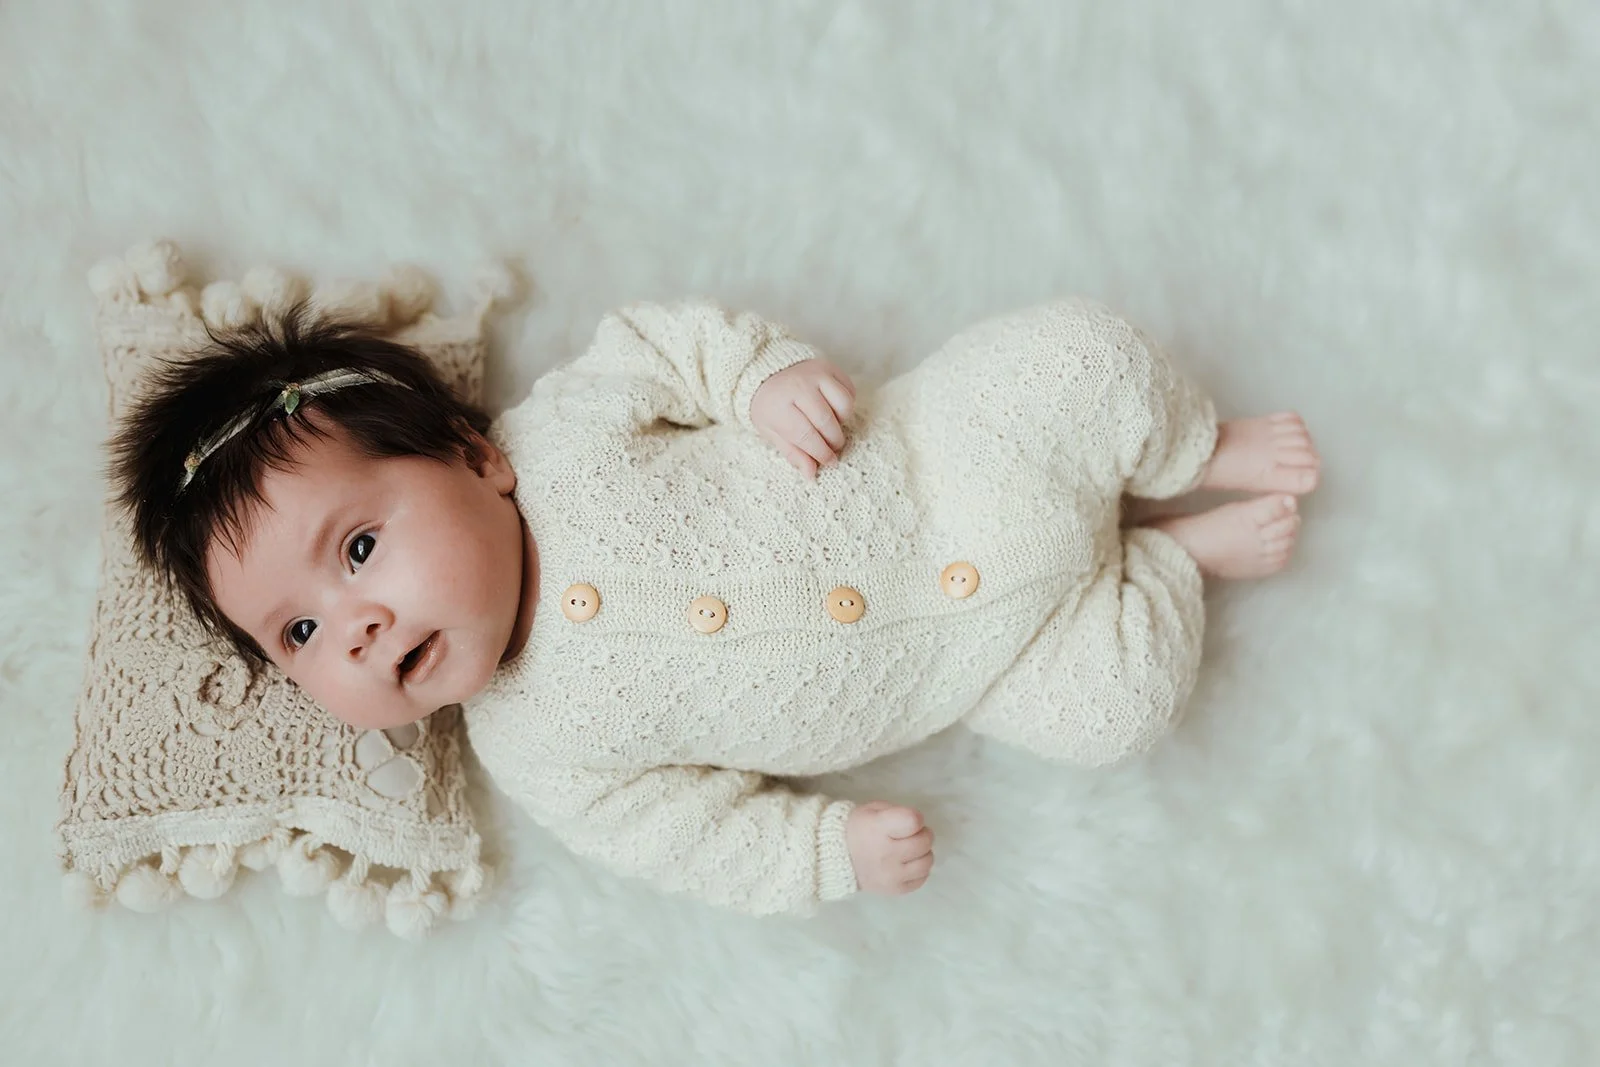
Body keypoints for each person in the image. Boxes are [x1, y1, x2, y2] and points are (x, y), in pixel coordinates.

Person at [111, 297, 1319, 916]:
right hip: (985, 660)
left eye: (360, 545)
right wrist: (819, 851)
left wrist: (756, 379)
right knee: (1113, 709)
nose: (356, 622)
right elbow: (686, 838)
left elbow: (657, 344)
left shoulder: (561, 439)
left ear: (475, 458)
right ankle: (1171, 561)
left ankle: (1189, 450)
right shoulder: (536, 748)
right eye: (301, 632)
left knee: (1079, 357)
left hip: (947, 460)